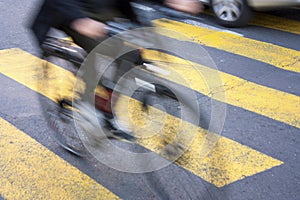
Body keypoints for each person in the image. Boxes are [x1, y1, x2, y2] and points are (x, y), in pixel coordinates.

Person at [31, 0, 204, 142]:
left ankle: (107, 108)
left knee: (132, 56)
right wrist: (79, 19)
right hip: (72, 11)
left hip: (106, 9)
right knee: (104, 50)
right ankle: (87, 104)